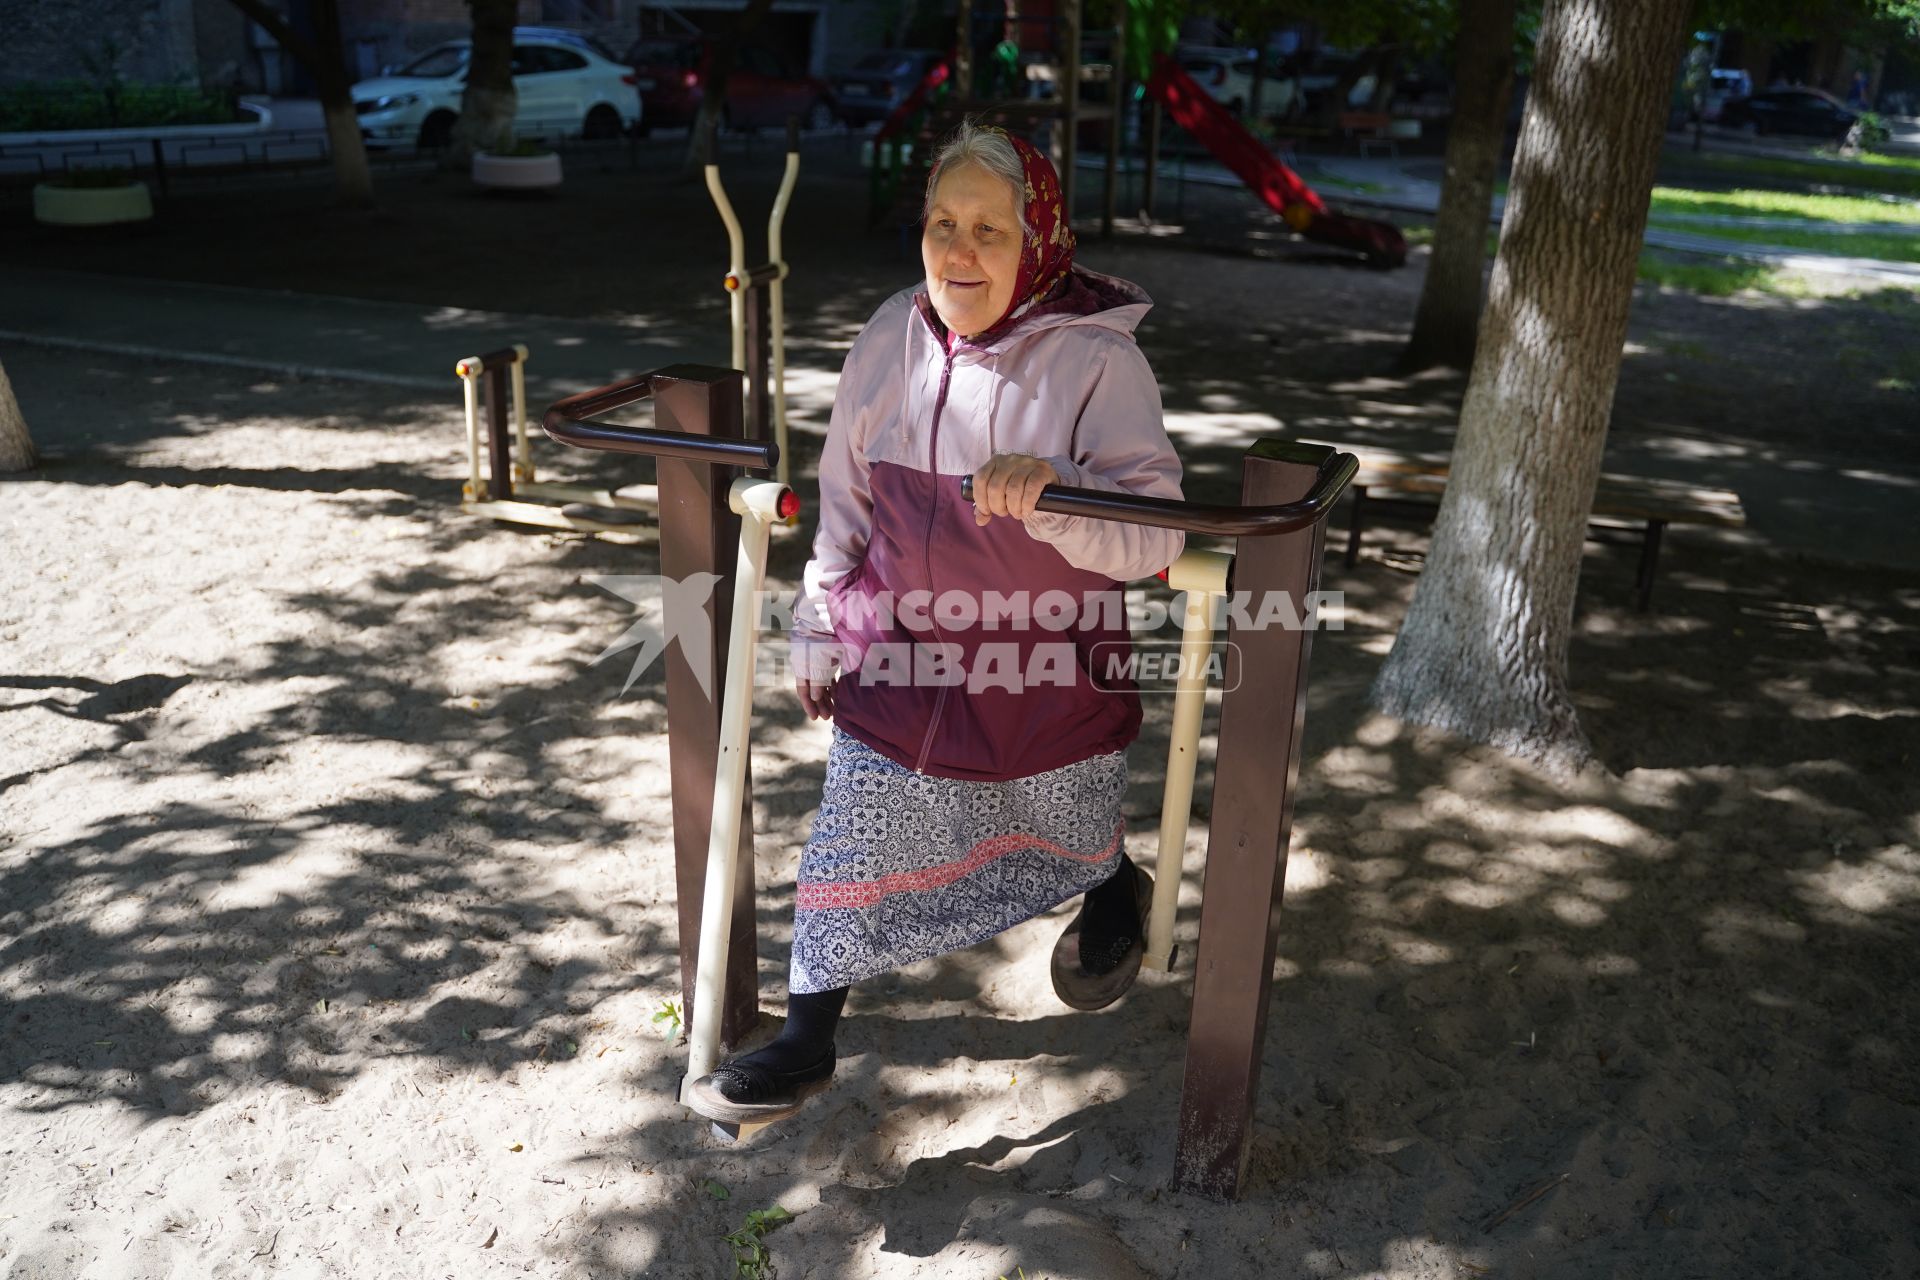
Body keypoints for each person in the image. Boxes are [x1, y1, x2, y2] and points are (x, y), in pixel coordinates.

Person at [683, 121, 1185, 1126]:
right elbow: (845, 498)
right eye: (942, 224)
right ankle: (807, 1036)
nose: (959, 252)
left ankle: (1110, 883)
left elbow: (1156, 535)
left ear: (1038, 237)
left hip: (1037, 655)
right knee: (850, 831)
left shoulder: (1095, 360)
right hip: (900, 644)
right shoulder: (891, 333)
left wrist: (1058, 491)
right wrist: (821, 622)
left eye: (989, 230)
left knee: (1068, 817)